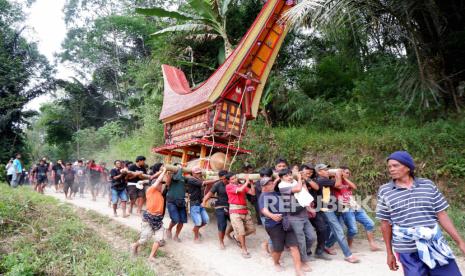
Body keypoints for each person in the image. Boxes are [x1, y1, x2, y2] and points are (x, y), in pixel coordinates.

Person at [376, 151, 464, 276]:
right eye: (389, 167)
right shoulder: (385, 191)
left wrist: (460, 242)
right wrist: (389, 253)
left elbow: (442, 214)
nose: (391, 169)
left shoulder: (427, 185)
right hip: (407, 251)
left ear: (407, 167)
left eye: (395, 165)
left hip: (435, 245)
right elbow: (385, 223)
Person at [259, 176, 306, 275]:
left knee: (294, 246)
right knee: (278, 248)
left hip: (286, 222)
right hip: (274, 225)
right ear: (263, 187)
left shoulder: (275, 193)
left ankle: (298, 270)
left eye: (271, 182)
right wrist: (272, 215)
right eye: (268, 183)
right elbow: (264, 210)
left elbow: (275, 184)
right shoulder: (264, 196)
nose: (271, 184)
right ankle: (276, 263)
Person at [314, 163, 359, 263]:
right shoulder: (321, 180)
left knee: (336, 228)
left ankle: (324, 247)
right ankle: (348, 255)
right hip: (326, 209)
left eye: (327, 169)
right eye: (324, 170)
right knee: (338, 230)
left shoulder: (327, 179)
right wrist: (338, 174)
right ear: (319, 172)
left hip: (334, 207)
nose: (327, 171)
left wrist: (337, 174)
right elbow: (338, 184)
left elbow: (339, 187)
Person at [337, 166, 380, 251]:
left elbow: (354, 187)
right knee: (353, 230)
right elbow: (337, 189)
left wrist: (345, 179)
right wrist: (340, 177)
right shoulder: (336, 183)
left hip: (355, 207)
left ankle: (372, 244)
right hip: (346, 208)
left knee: (370, 223)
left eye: (348, 173)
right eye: (345, 172)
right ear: (340, 173)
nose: (347, 174)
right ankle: (349, 247)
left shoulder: (347, 182)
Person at [278, 168, 314, 270]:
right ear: (281, 178)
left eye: (290, 175)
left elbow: (305, 193)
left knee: (311, 237)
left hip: (303, 214)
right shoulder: (282, 186)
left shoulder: (295, 182)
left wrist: (302, 182)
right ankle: (303, 261)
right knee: (301, 240)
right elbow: (297, 189)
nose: (289, 177)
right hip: (294, 217)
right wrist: (298, 178)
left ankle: (303, 254)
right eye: (286, 176)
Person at [131, 167, 168, 262]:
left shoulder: (160, 194)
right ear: (155, 185)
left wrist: (168, 174)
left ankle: (151, 256)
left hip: (158, 220)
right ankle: (135, 245)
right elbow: (158, 180)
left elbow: (166, 183)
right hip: (149, 218)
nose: (161, 186)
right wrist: (164, 171)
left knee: (160, 239)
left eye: (161, 184)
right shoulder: (150, 190)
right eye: (160, 184)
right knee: (144, 239)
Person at [301, 164, 332, 261]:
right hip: (300, 210)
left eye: (311, 171)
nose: (309, 172)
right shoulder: (295, 180)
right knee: (304, 232)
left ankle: (319, 252)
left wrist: (306, 178)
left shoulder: (314, 180)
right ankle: (306, 252)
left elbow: (317, 187)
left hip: (314, 209)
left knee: (322, 229)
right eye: (306, 170)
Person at [225, 173, 256, 258]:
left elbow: (252, 193)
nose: (234, 180)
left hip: (244, 210)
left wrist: (251, 184)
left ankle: (236, 236)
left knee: (251, 229)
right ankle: (244, 249)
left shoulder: (241, 185)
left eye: (235, 178)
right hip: (235, 211)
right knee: (241, 231)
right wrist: (246, 182)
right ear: (229, 181)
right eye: (232, 179)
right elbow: (239, 190)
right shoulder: (228, 186)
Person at [202, 169, 233, 249]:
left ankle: (228, 233)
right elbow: (209, 194)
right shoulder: (217, 185)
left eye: (225, 179)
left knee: (235, 223)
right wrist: (204, 201)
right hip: (220, 206)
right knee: (222, 225)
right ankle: (221, 242)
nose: (224, 180)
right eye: (222, 179)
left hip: (232, 207)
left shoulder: (233, 182)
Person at [186, 166, 216, 243]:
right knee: (198, 222)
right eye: (197, 173)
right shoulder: (191, 179)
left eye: (199, 173)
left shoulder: (200, 179)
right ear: (193, 173)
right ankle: (196, 238)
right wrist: (215, 180)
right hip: (194, 204)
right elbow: (204, 183)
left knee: (206, 220)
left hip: (200, 203)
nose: (199, 174)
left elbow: (206, 185)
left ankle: (195, 229)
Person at [165, 165, 187, 242]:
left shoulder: (183, 178)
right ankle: (169, 229)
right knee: (175, 219)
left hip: (181, 201)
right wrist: (180, 169)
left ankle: (176, 236)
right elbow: (176, 178)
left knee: (182, 221)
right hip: (172, 201)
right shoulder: (172, 176)